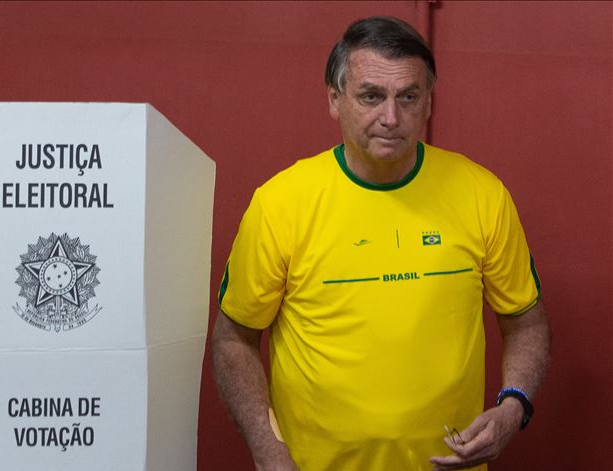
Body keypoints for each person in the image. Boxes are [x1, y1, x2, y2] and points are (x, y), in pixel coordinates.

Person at [211, 16, 550, 471]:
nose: (391, 118)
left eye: (408, 97)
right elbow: (234, 340)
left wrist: (514, 406)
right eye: (371, 96)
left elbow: (527, 324)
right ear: (335, 100)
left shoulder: (482, 195)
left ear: (428, 102)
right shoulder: (280, 204)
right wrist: (269, 452)